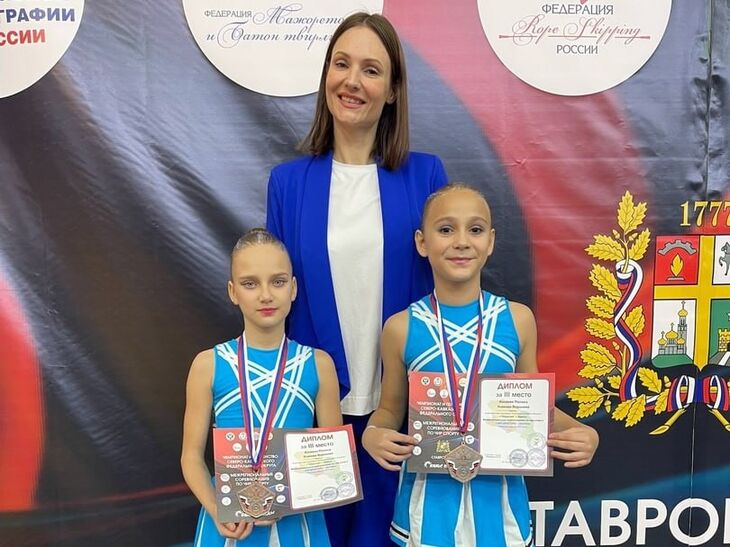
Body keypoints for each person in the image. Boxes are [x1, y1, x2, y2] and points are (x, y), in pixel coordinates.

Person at [265, 12, 447, 546]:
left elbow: (449, 295)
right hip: (316, 414)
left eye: (371, 70)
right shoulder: (288, 183)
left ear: (392, 91)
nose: (352, 81)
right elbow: (275, 304)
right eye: (341, 64)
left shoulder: (425, 175)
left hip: (402, 415)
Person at [362, 184, 600, 547]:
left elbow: (537, 410)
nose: (461, 241)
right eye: (446, 229)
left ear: (490, 241)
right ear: (422, 242)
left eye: (474, 229)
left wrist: (584, 432)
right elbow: (391, 409)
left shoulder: (518, 320)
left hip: (500, 506)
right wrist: (372, 433)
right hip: (426, 507)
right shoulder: (401, 327)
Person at [181, 228, 342, 546]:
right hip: (231, 527)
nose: (265, 295)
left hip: (299, 526)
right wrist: (217, 509)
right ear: (233, 291)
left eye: (277, 282)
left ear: (293, 288)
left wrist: (286, 498)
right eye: (250, 284)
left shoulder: (318, 364)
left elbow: (333, 462)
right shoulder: (208, 364)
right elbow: (191, 457)